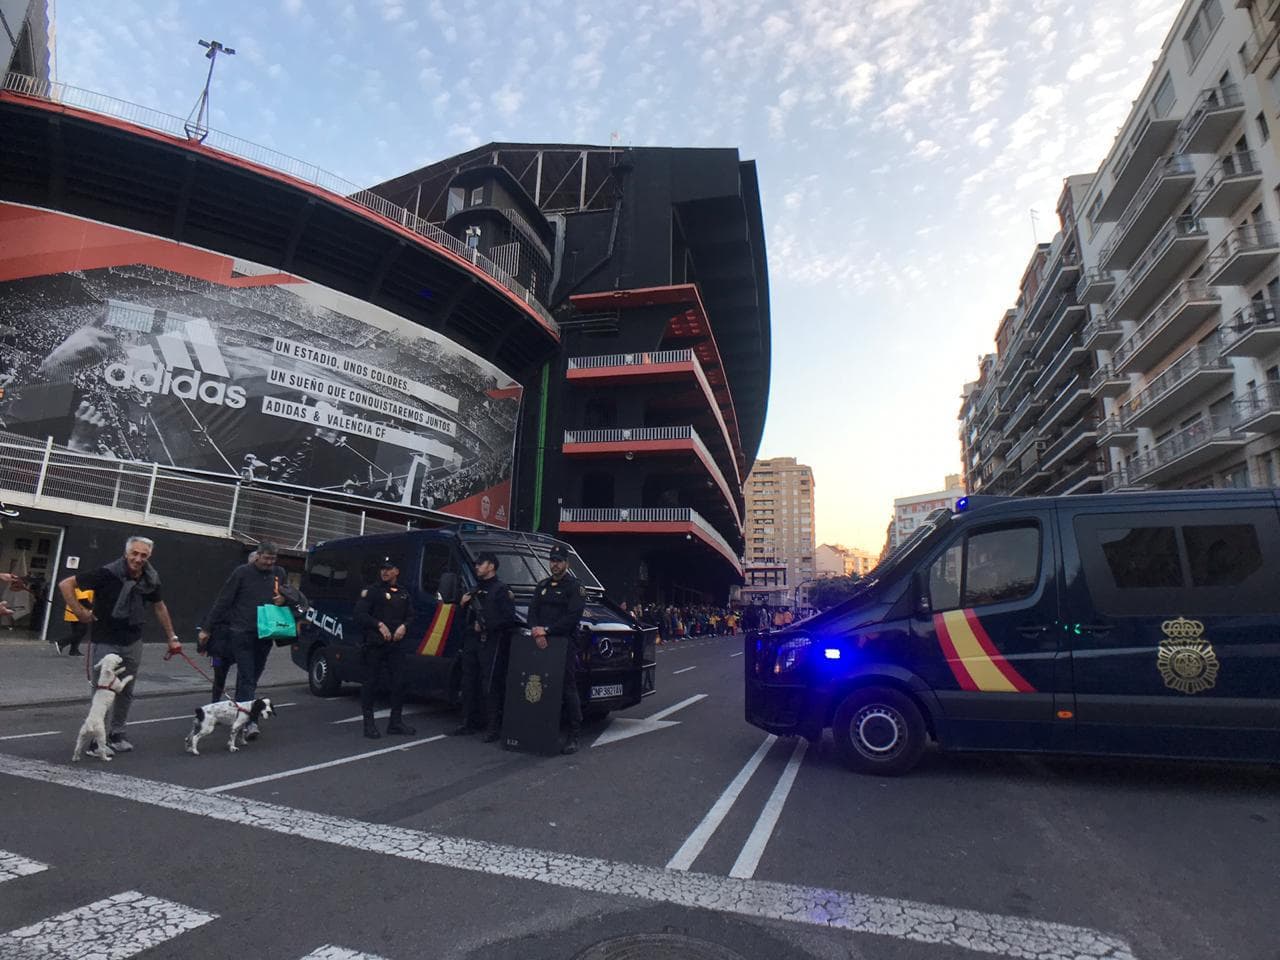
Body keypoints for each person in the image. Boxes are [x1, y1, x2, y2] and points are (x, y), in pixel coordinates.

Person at [57, 535, 183, 755]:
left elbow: (159, 606)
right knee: (103, 690)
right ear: (126, 553)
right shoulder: (107, 573)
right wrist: (79, 612)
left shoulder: (150, 578)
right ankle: (97, 741)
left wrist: (172, 637)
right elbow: (66, 584)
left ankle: (117, 734)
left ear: (149, 556)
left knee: (126, 689)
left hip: (133, 640)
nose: (138, 559)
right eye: (134, 553)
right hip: (106, 639)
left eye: (143, 555)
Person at [199, 543, 288, 741]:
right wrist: (207, 628)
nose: (269, 563)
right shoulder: (242, 573)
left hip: (266, 633)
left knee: (252, 677)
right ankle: (249, 723)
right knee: (245, 676)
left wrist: (283, 599)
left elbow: (288, 596)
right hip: (241, 633)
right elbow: (223, 600)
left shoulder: (279, 573)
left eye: (273, 559)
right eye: (266, 558)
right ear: (257, 556)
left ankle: (239, 712)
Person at [527, 544, 587, 755]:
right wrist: (536, 631)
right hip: (542, 643)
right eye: (552, 560)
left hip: (564, 643)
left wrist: (547, 631)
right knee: (541, 685)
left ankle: (574, 735)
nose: (555, 564)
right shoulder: (542, 585)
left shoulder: (575, 587)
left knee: (568, 688)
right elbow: (532, 612)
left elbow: (572, 617)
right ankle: (541, 731)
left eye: (559, 561)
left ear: (566, 564)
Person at [455, 551, 516, 742]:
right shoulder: (474, 589)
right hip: (471, 641)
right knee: (468, 682)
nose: (477, 567)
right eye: (476, 564)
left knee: (489, 684)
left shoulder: (501, 590)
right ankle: (467, 722)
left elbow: (508, 619)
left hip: (490, 641)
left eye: (481, 564)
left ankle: (493, 727)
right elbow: (461, 619)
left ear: (491, 566)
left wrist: (486, 625)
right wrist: (462, 605)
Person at [353, 557, 417, 740]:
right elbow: (359, 614)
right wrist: (378, 625)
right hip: (375, 645)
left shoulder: (403, 593)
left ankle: (395, 723)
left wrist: (404, 626)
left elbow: (411, 615)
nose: (385, 572)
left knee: (399, 683)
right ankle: (369, 725)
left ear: (397, 571)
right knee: (371, 684)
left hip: (395, 646)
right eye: (382, 568)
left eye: (389, 569)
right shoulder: (372, 591)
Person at [59, 582, 94, 656]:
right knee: (81, 631)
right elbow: (83, 600)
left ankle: (73, 650)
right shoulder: (83, 586)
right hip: (80, 612)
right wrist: (92, 608)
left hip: (75, 612)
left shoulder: (81, 586)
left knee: (76, 632)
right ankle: (62, 642)